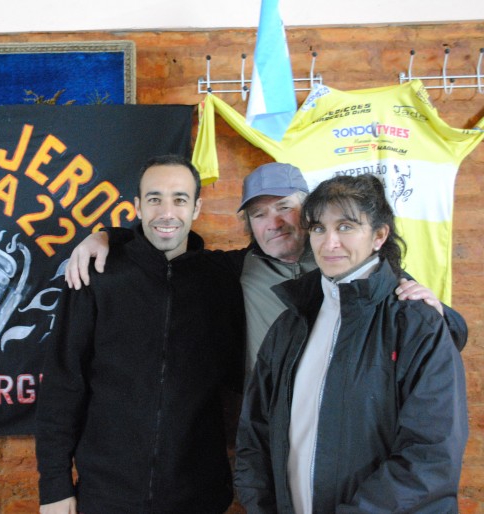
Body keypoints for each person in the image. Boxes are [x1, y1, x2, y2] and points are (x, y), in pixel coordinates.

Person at [64, 162, 467, 377]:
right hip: (264, 420)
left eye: (284, 207)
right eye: (258, 214)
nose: (273, 222)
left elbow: (450, 333)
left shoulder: (344, 261)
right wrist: (108, 236)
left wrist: (438, 310)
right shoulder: (233, 268)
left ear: (308, 211)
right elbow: (163, 250)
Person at [235, 174, 468, 513]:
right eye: (319, 228)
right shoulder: (290, 325)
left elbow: (430, 456)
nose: (330, 243)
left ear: (379, 235)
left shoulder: (416, 321)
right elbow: (255, 435)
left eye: (346, 227)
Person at [35, 154, 245, 514]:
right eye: (154, 199)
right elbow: (63, 382)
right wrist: (54, 486)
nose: (167, 212)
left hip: (199, 495)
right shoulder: (96, 272)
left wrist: (107, 234)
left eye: (180, 199)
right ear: (137, 206)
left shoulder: (222, 277)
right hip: (106, 494)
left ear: (196, 208)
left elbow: (283, 247)